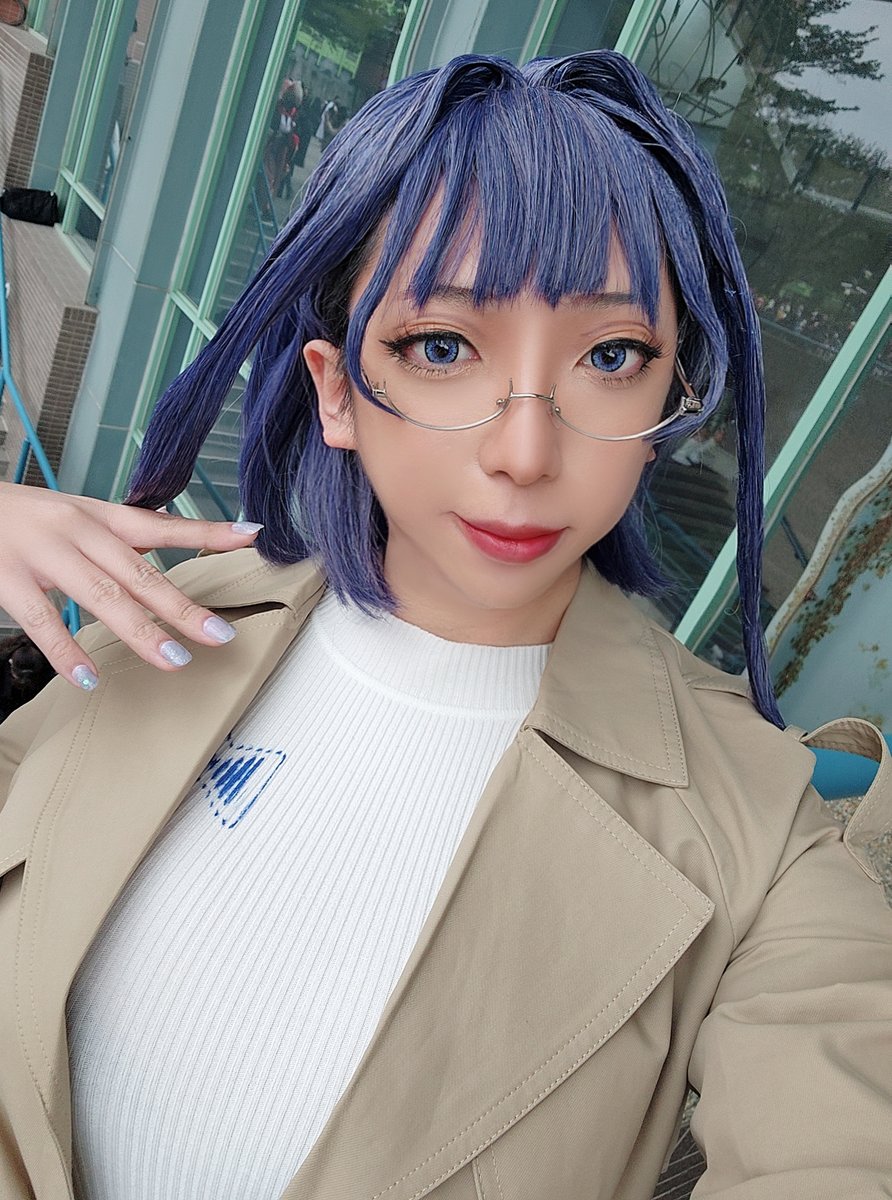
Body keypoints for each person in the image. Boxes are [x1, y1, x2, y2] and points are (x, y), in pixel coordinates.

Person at [0, 51, 890, 1200]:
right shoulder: (175, 616)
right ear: (334, 391)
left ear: (670, 402)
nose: (524, 452)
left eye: (610, 356)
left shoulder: (760, 834)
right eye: (441, 347)